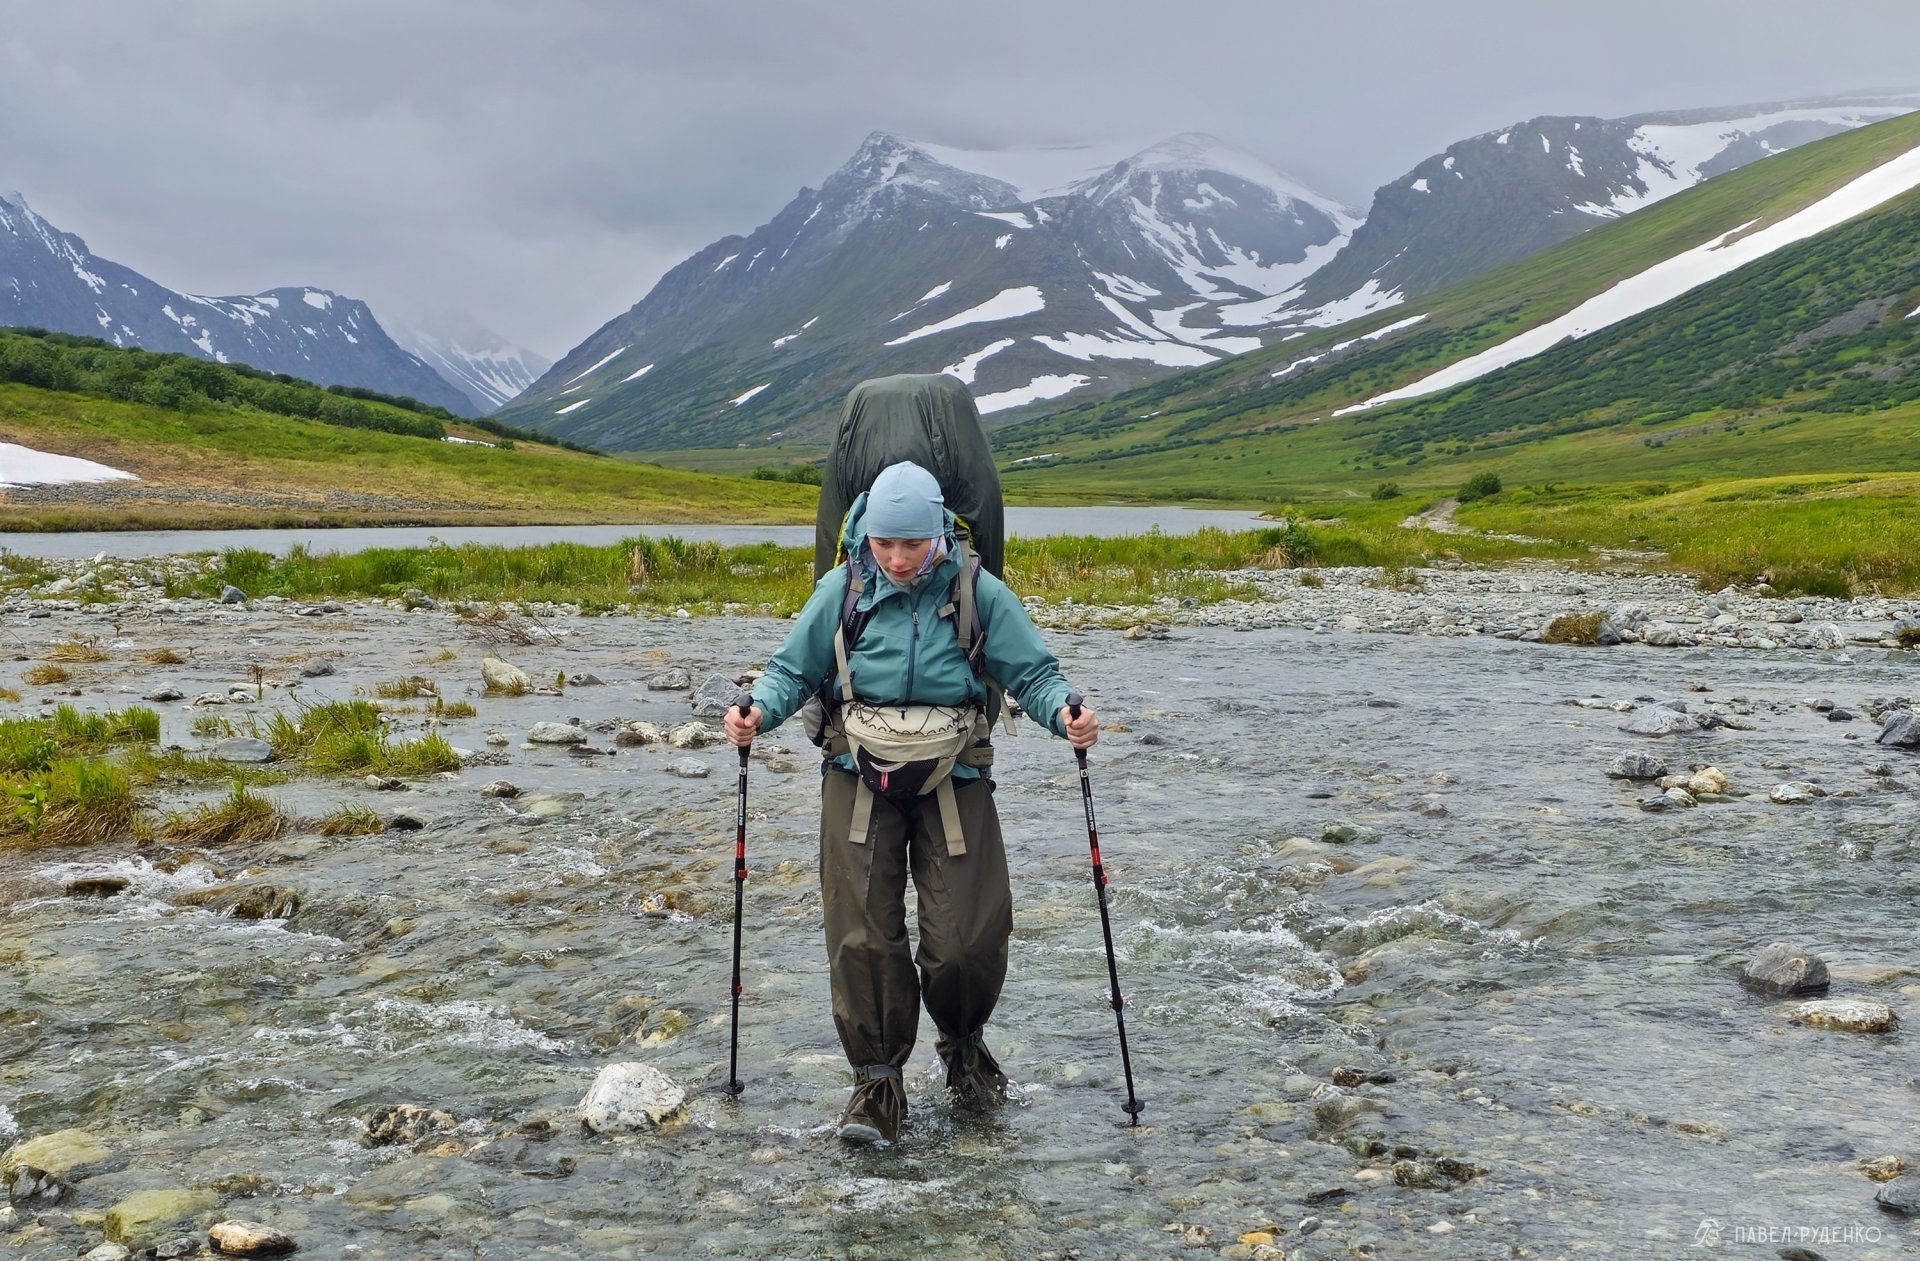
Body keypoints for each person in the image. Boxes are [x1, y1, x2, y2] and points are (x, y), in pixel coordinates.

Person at [725, 460, 1098, 1146]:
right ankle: (877, 1085)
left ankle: (964, 1050)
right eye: (884, 543)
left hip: (956, 779)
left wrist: (1066, 714)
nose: (897, 558)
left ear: (940, 535)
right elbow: (790, 671)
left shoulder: (979, 592)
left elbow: (1035, 674)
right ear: (866, 535)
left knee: (968, 939)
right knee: (863, 936)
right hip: (856, 776)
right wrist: (756, 712)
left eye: (912, 544)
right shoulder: (843, 588)